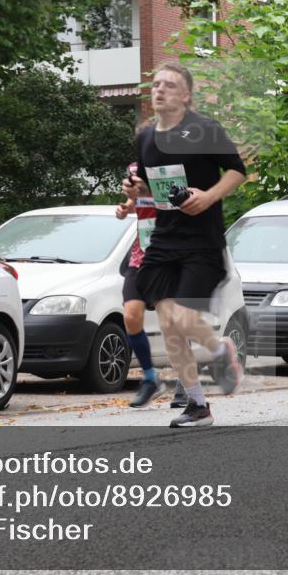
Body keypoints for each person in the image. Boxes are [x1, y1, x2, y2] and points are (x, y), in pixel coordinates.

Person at [123, 62, 247, 427]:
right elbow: (147, 184)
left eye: (170, 85)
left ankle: (220, 349)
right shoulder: (146, 137)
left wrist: (208, 197)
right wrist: (134, 190)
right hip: (163, 240)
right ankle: (198, 405)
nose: (159, 90)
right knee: (168, 325)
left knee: (180, 316)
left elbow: (237, 170)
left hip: (202, 241)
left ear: (186, 95)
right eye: (156, 85)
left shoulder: (205, 130)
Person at [116, 162, 188, 409]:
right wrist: (126, 207)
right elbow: (136, 201)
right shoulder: (134, 168)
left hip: (170, 258)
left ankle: (186, 381)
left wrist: (147, 192)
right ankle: (150, 378)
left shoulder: (175, 169)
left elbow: (182, 205)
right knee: (131, 316)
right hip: (140, 257)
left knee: (172, 323)